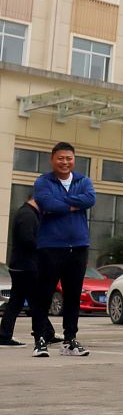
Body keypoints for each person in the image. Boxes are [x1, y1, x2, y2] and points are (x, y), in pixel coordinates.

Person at [30, 142, 96, 359]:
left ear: (74, 159)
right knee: (44, 295)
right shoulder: (43, 181)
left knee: (73, 295)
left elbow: (90, 199)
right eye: (60, 158)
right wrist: (73, 205)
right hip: (51, 247)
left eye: (69, 158)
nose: (65, 162)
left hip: (78, 246)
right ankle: (40, 339)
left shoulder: (83, 180)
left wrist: (63, 202)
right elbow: (47, 204)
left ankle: (70, 339)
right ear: (52, 159)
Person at [1, 193, 39, 347]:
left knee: (17, 302)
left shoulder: (27, 212)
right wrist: (43, 247)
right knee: (36, 302)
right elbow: (27, 239)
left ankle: (4, 335)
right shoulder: (27, 214)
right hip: (25, 266)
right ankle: (45, 333)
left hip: (22, 266)